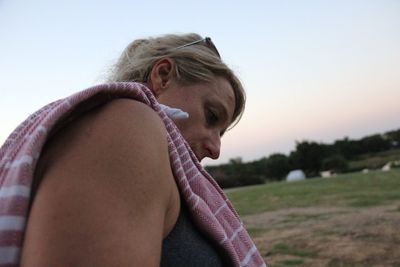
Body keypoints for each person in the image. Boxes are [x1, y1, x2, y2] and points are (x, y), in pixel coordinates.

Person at [0, 33, 266, 266]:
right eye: (211, 116)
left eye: (221, 133)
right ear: (162, 76)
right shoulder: (126, 124)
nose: (216, 148)